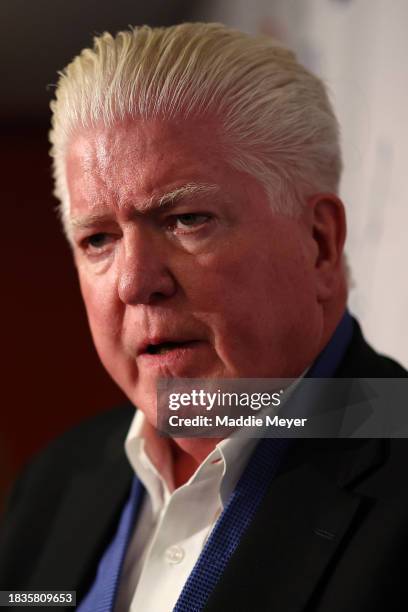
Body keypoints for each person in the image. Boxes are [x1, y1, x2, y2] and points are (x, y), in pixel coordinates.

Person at [1, 22, 407, 612]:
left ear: (318, 243)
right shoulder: (54, 480)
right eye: (98, 240)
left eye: (187, 220)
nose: (137, 283)